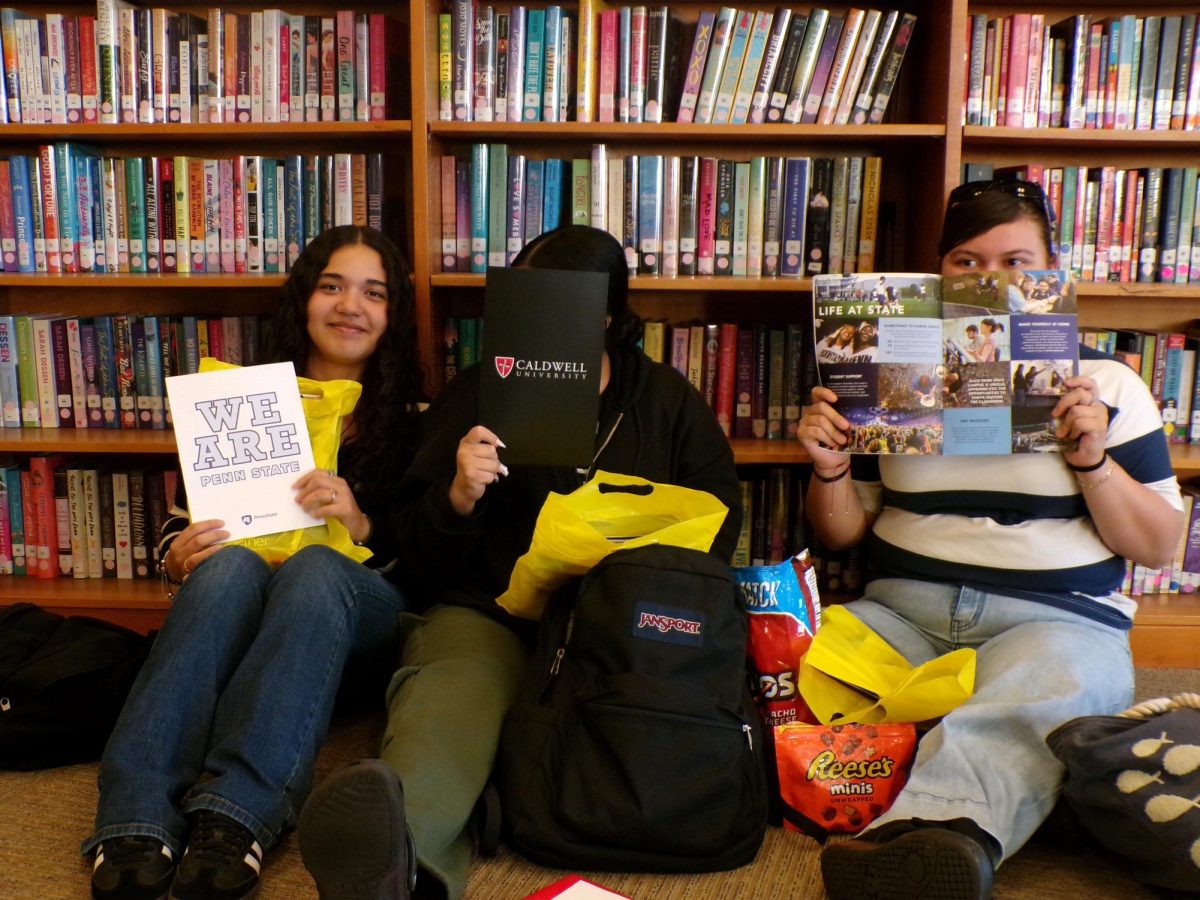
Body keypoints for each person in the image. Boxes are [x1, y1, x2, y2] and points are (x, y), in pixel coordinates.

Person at [296, 224, 743, 900]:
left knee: (650, 713)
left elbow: (718, 527)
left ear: (610, 315)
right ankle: (399, 864)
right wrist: (458, 496)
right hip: (492, 612)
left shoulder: (665, 403)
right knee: (455, 692)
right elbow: (409, 552)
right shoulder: (483, 389)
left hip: (621, 629)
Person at [798, 178, 1185, 900]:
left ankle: (932, 839)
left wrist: (1092, 460)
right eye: (968, 264)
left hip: (1052, 622)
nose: (991, 281)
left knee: (1055, 686)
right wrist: (830, 470)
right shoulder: (894, 375)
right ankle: (1013, 780)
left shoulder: (1105, 382)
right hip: (900, 616)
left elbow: (1160, 547)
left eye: (1015, 261)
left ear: (1050, 273)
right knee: (781, 662)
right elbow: (842, 534)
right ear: (938, 275)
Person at [84, 226, 425, 900]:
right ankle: (135, 814)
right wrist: (179, 558)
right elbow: (182, 524)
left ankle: (238, 815)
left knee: (315, 570)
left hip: (352, 625)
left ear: (393, 316)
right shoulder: (241, 404)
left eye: (373, 292)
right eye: (331, 286)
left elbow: (428, 563)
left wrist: (356, 520)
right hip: (240, 611)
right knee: (230, 568)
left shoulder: (416, 422)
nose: (349, 305)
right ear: (304, 300)